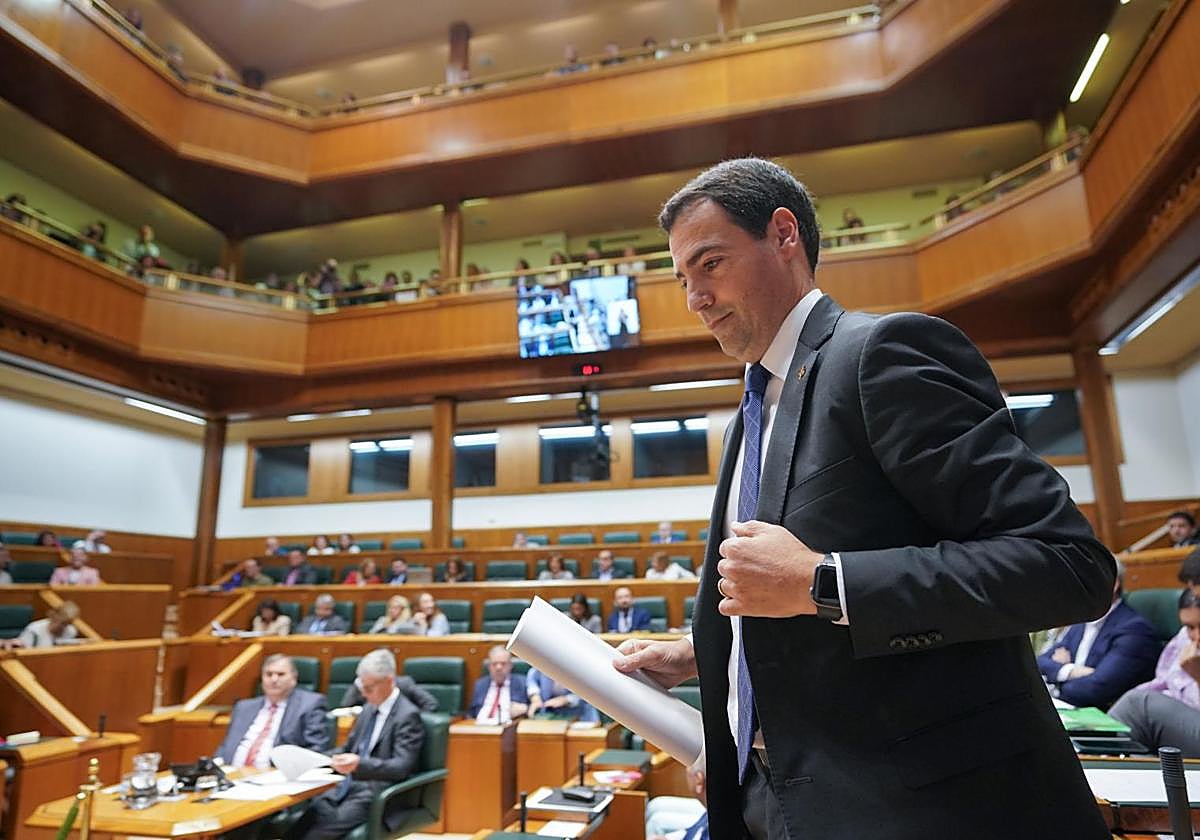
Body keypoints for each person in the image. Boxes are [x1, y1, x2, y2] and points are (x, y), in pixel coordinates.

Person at [612, 158, 1114, 838]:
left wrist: (823, 582)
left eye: (711, 264)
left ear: (784, 235)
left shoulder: (882, 353)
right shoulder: (749, 418)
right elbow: (788, 603)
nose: (694, 298)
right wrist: (711, 655)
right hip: (779, 799)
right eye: (682, 278)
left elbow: (1067, 566)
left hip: (926, 811)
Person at [283, 649, 425, 840]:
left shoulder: (407, 716)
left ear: (389, 681)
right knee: (298, 826)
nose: (363, 693)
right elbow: (348, 748)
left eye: (369, 688)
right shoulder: (368, 709)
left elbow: (401, 767)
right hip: (345, 786)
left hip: (376, 792)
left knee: (315, 835)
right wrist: (318, 759)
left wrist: (359, 764)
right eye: (361, 686)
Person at [1036, 560, 1160, 708]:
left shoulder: (1135, 630)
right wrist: (1070, 670)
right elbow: (1040, 662)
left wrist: (1056, 682)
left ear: (1113, 584)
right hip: (1070, 706)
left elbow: (1095, 689)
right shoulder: (1082, 621)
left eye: (1084, 580)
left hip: (1104, 713)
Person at [1110, 589, 1200, 756]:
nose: (1197, 636)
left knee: (1138, 705)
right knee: (1131, 711)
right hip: (1177, 714)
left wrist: (1198, 676)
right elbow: (1163, 681)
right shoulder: (1184, 637)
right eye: (1190, 627)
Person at [215, 654, 328, 768]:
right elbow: (225, 747)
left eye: (280, 674)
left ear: (294, 678)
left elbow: (316, 750)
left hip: (275, 774)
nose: (274, 679)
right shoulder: (243, 707)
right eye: (269, 674)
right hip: (232, 772)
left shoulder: (309, 704)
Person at [470, 646, 531, 723]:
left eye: (503, 663)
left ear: (510, 665)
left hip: (509, 726)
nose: (498, 667)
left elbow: (535, 709)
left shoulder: (522, 683)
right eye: (494, 664)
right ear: (489, 666)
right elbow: (472, 712)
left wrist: (526, 708)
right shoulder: (480, 684)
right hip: (480, 726)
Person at [339, 670, 439, 712]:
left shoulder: (404, 684)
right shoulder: (364, 685)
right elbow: (346, 706)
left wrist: (412, 720)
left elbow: (431, 704)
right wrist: (357, 685)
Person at [528, 666, 599, 722]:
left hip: (582, 715)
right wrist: (536, 699)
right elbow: (532, 682)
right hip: (554, 716)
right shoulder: (539, 668)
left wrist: (566, 699)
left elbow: (588, 693)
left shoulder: (580, 669)